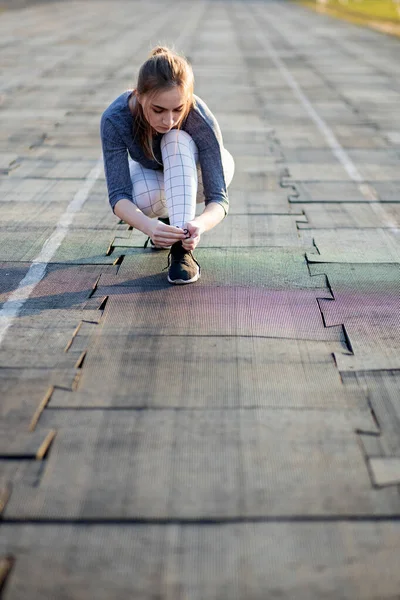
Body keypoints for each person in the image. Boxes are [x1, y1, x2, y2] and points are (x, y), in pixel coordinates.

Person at [100, 46, 235, 284]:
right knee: (140, 196)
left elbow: (219, 198)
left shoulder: (200, 118)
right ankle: (167, 227)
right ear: (139, 96)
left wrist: (199, 225)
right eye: (158, 110)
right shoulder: (115, 118)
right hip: (159, 178)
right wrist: (149, 227)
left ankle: (182, 251)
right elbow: (118, 195)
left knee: (175, 138)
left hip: (201, 174)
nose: (169, 120)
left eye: (178, 109)